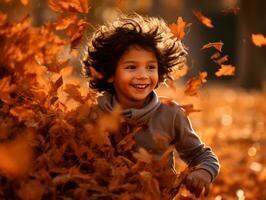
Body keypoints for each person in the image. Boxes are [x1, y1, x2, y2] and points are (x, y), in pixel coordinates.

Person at [83, 13, 220, 198]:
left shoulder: (170, 114)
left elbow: (201, 154)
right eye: (131, 67)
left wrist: (203, 172)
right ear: (109, 73)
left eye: (150, 67)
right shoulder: (94, 115)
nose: (143, 75)